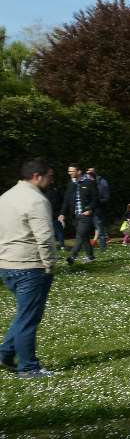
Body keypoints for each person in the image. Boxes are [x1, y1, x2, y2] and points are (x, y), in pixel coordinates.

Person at [0, 158, 58, 378]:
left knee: (24, 314)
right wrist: (50, 264)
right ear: (37, 176)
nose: (51, 181)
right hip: (30, 265)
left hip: (6, 264)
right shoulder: (36, 200)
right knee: (29, 318)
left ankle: (5, 354)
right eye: (50, 176)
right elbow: (45, 237)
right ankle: (28, 367)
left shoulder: (6, 197)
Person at [60, 164, 98, 265]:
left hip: (86, 215)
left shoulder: (89, 183)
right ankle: (91, 257)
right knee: (84, 237)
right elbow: (66, 200)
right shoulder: (71, 184)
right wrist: (62, 213)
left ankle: (72, 256)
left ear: (79, 171)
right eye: (69, 171)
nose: (69, 173)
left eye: (72, 171)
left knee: (80, 235)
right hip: (75, 216)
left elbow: (95, 199)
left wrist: (90, 209)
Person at [86, 167, 110, 251]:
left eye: (90, 173)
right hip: (88, 209)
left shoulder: (102, 182)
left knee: (100, 229)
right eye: (87, 173)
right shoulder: (86, 183)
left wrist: (96, 201)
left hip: (98, 210)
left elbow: (106, 198)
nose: (88, 175)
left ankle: (103, 248)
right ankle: (88, 247)